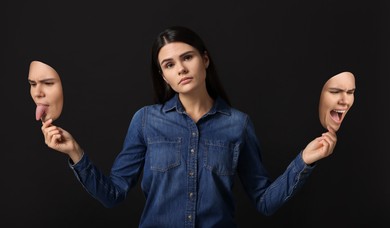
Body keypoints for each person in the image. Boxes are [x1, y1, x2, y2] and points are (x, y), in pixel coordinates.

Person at [39, 26, 339, 228]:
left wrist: (304, 162)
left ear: (204, 60)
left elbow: (264, 202)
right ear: (163, 76)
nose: (180, 68)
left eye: (187, 57)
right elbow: (113, 194)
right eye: (169, 64)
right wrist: (76, 153)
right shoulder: (146, 120)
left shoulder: (237, 124)